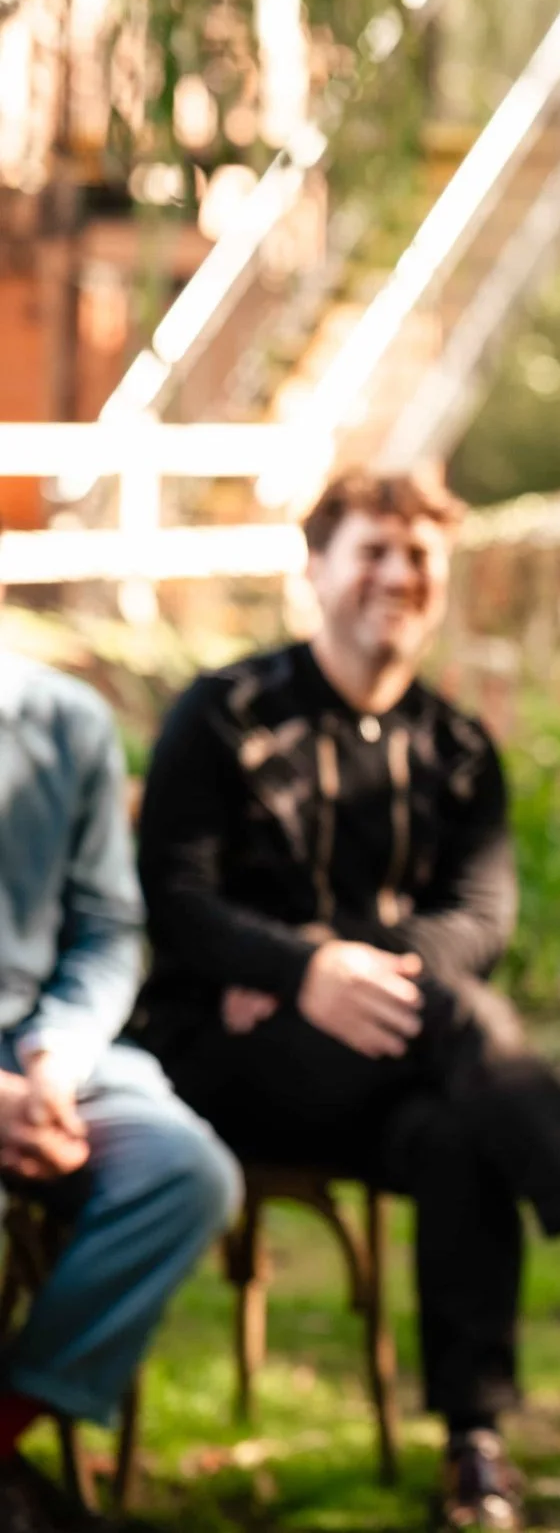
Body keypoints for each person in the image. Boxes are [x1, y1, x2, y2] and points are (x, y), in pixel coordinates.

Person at [134, 470, 560, 1532]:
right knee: (468, 1026)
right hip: (225, 1056)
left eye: (418, 558)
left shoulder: (460, 747)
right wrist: (292, 972)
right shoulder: (226, 715)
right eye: (372, 553)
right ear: (317, 570)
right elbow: (174, 897)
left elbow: (480, 919)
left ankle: (473, 1449)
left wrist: (332, 963)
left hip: (389, 1055)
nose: (396, 576)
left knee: (460, 1126)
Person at [0, 620, 239, 1531]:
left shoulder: (68, 722)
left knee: (185, 1174)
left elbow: (107, 928)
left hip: (43, 1046)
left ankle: (6, 1438)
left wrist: (53, 1065)